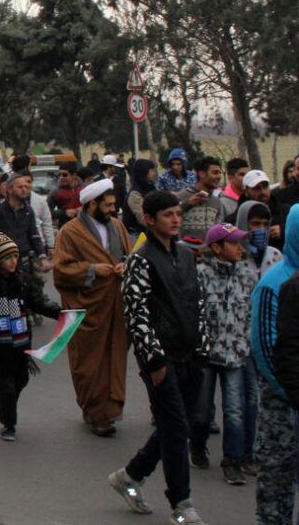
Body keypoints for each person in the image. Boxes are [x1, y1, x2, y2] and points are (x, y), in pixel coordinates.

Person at [108, 191, 210, 525]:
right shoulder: (141, 259)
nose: (176, 219)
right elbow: (136, 314)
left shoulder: (186, 254)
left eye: (178, 213)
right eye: (168, 214)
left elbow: (198, 303)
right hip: (161, 358)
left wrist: (203, 348)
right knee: (177, 427)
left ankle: (131, 476)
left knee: (178, 424)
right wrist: (154, 362)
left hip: (191, 354)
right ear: (150, 220)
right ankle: (181, 503)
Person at [52, 178, 132, 437]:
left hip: (115, 304)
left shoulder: (118, 226)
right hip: (88, 307)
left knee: (115, 357)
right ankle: (94, 410)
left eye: (113, 204)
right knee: (89, 363)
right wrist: (92, 270)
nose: (112, 209)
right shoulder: (70, 232)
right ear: (91, 204)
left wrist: (124, 266)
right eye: (107, 205)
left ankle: (108, 411)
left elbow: (129, 257)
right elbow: (62, 269)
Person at [0, 233, 62, 441]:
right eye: (7, 257)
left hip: (22, 343)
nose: (13, 262)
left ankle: (2, 405)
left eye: (15, 256)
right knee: (8, 384)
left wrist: (60, 313)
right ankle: (9, 424)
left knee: (22, 378)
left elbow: (38, 302)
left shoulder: (23, 280)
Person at [190, 223, 256, 484]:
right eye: (234, 243)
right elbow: (193, 312)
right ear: (217, 248)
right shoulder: (200, 274)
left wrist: (248, 343)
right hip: (206, 354)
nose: (240, 248)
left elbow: (251, 311)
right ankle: (197, 445)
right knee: (202, 411)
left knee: (234, 409)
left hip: (236, 353)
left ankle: (233, 459)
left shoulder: (248, 274)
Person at [250, 205, 299, 525]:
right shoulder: (274, 282)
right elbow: (266, 349)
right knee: (276, 490)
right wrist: (290, 393)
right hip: (281, 404)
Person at [0, 173, 48, 278]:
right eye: (20, 187)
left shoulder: (28, 210)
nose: (24, 190)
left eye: (26, 187)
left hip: (25, 262)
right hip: (3, 264)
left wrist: (42, 256)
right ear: (9, 189)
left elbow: (34, 234)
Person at [178, 156, 235, 242]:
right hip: (185, 252)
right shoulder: (181, 196)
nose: (219, 177)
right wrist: (187, 204)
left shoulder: (217, 202)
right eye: (215, 173)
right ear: (202, 174)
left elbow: (219, 230)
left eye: (220, 173)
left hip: (209, 253)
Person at [123, 159, 158, 236]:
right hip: (136, 234)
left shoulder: (150, 187)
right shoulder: (135, 193)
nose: (154, 172)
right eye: (151, 170)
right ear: (144, 172)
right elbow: (142, 219)